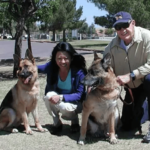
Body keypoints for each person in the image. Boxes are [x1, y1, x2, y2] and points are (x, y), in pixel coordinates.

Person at [104, 11, 150, 143]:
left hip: (146, 80)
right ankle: (143, 107)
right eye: (118, 27)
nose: (122, 30)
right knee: (127, 126)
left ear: (133, 23)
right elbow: (105, 65)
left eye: (125, 25)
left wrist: (131, 75)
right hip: (132, 88)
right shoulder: (112, 46)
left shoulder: (147, 37)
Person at [38, 42, 87, 135]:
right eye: (59, 58)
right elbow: (36, 68)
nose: (62, 62)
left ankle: (75, 121)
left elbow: (79, 95)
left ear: (71, 58)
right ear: (55, 59)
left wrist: (60, 97)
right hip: (61, 101)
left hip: (76, 103)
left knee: (63, 107)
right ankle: (57, 123)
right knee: (48, 96)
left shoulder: (79, 72)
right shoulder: (51, 67)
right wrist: (23, 68)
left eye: (66, 58)